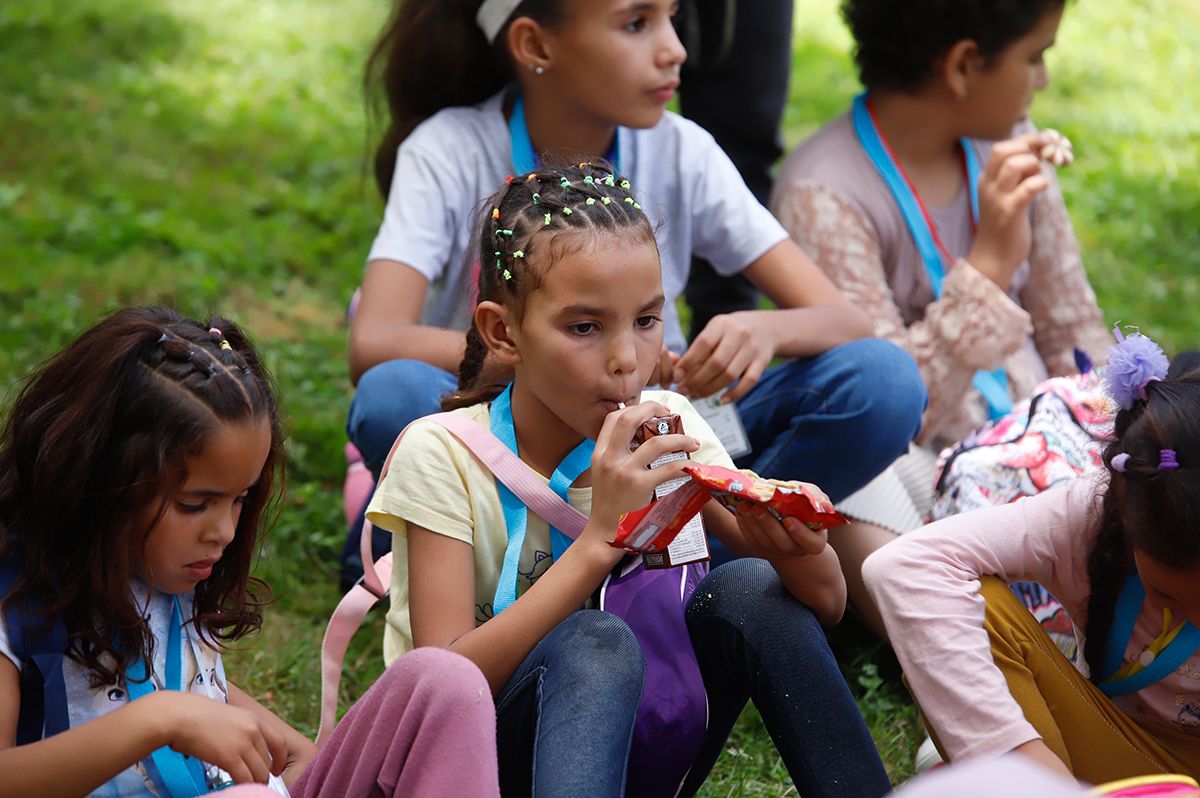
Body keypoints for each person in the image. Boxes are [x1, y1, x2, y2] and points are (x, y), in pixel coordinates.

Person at [366, 164, 894, 797]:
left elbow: (826, 606)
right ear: (502, 332)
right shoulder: (443, 453)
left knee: (752, 584)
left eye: (646, 320)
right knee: (594, 640)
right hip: (478, 767)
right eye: (584, 328)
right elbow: (445, 683)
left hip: (642, 750)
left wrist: (802, 552)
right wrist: (599, 542)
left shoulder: (674, 429)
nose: (626, 358)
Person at [347, 0, 925, 516]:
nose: (675, 49)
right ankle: (529, 544)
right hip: (509, 434)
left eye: (671, 17)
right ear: (535, 45)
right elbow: (374, 341)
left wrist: (765, 327)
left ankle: (679, 548)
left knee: (882, 382)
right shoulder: (447, 150)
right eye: (635, 22)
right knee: (393, 395)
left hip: (659, 437)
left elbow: (846, 322)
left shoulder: (683, 149)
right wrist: (549, 362)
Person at [0, 307, 500, 797]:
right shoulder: (16, 605)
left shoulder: (162, 585)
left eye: (239, 499)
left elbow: (292, 756)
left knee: (446, 680)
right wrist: (159, 719)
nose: (225, 531)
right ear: (100, 479)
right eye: (195, 504)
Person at [770, 0, 1109, 635]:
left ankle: (1016, 620)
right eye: (1035, 57)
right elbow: (891, 403)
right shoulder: (823, 192)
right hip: (924, 472)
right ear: (961, 65)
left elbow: (1074, 329)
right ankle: (979, 648)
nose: (1042, 80)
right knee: (844, 483)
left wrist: (1098, 428)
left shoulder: (1007, 146)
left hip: (1041, 443)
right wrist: (988, 269)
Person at [862, 329, 1200, 783]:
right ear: (1127, 520)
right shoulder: (1095, 515)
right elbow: (906, 567)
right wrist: (1017, 766)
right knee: (983, 606)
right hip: (1120, 755)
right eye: (1168, 596)